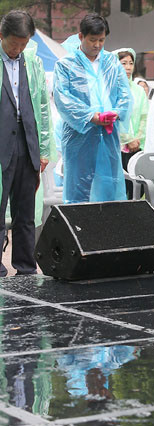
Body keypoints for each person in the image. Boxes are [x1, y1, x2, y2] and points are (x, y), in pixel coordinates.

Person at [53, 13, 131, 204]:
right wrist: (90, 116)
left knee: (109, 185)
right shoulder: (66, 65)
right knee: (79, 188)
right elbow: (63, 98)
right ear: (81, 36)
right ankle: (77, 223)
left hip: (108, 135)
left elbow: (125, 93)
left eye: (101, 40)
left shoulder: (112, 62)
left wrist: (117, 112)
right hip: (79, 136)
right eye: (93, 40)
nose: (97, 45)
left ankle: (108, 223)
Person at [0, 10, 55, 276]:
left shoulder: (31, 62)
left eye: (23, 44)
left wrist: (43, 149)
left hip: (26, 143)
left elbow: (42, 105)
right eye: (14, 44)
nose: (18, 50)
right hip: (1, 144)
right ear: (1, 36)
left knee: (25, 210)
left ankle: (25, 266)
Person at [113, 48, 149, 199]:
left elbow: (144, 116)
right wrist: (127, 139)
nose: (128, 67)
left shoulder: (138, 91)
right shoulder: (112, 89)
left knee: (138, 188)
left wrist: (138, 139)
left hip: (138, 147)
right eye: (123, 63)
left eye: (131, 63)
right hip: (118, 147)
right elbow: (115, 118)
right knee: (120, 187)